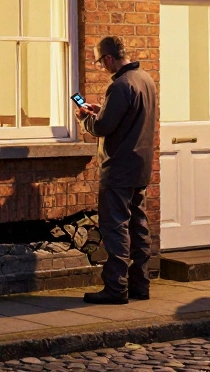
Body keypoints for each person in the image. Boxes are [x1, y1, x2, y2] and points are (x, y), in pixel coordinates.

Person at [76, 36, 157, 304]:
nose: (100, 67)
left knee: (116, 228)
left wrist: (86, 118)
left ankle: (115, 288)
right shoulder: (144, 78)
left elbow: (102, 128)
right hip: (140, 166)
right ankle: (140, 284)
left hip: (119, 168)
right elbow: (127, 116)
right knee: (138, 226)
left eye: (100, 62)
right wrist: (103, 110)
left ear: (109, 58)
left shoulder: (120, 85)